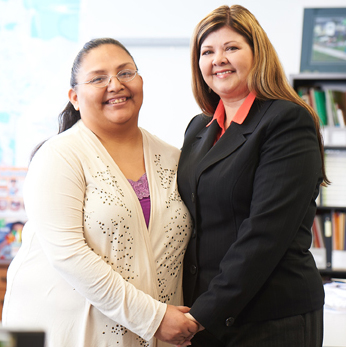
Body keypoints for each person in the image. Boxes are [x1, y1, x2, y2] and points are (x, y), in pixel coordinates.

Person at [2, 38, 198, 347]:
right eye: (98, 78)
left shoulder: (174, 157)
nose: (115, 84)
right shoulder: (59, 156)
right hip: (76, 334)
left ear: (141, 81)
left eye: (125, 73)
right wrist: (154, 318)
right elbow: (69, 255)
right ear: (75, 97)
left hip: (162, 336)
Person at [177, 5, 328, 347]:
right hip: (208, 313)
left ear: (257, 53)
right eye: (207, 51)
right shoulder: (198, 129)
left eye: (231, 48)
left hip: (270, 317)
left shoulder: (286, 121)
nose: (219, 59)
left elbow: (265, 233)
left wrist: (201, 315)